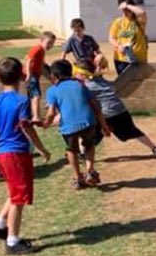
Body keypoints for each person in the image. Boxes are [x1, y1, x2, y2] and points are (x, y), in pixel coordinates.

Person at [0, 55, 50, 255]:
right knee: (19, 198)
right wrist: (41, 149)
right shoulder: (22, 101)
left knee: (14, 191)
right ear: (22, 76)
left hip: (3, 153)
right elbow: (27, 128)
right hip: (17, 153)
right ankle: (12, 241)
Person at [43, 58, 109, 190]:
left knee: (71, 150)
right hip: (88, 122)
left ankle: (78, 178)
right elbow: (96, 107)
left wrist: (46, 123)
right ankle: (90, 170)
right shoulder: (80, 85)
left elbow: (50, 113)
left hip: (69, 126)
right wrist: (104, 126)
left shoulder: (52, 90)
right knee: (89, 145)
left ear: (53, 76)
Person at [76, 66, 156, 159]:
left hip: (103, 114)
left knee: (86, 133)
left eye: (77, 73)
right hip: (120, 110)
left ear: (84, 75)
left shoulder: (86, 86)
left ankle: (82, 153)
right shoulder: (101, 80)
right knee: (132, 131)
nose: (75, 75)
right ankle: (154, 148)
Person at [108, 1, 148, 75]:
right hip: (122, 59)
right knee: (124, 83)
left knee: (140, 83)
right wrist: (118, 45)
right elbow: (111, 38)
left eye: (128, 11)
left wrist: (127, 6)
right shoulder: (118, 22)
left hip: (139, 58)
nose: (125, 13)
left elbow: (142, 13)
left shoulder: (139, 21)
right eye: (124, 11)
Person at [25, 30, 56, 121]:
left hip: (35, 75)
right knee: (36, 95)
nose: (50, 45)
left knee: (33, 95)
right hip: (32, 75)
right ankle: (36, 116)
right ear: (41, 41)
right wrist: (28, 74)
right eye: (48, 43)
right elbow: (28, 60)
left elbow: (41, 64)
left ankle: (32, 115)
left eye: (52, 44)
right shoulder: (37, 49)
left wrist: (51, 77)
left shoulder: (41, 51)